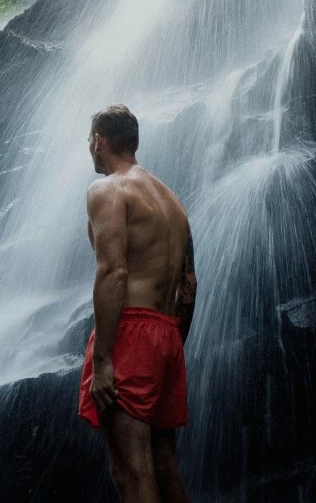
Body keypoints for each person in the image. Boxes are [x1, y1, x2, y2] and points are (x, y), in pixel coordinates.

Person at [79, 104, 197, 503]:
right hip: (168, 335)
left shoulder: (108, 189)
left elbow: (113, 272)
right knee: (164, 464)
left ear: (99, 142)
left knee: (130, 470)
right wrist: (172, 343)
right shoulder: (174, 204)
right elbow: (190, 284)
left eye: (89, 143)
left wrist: (104, 361)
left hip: (131, 332)